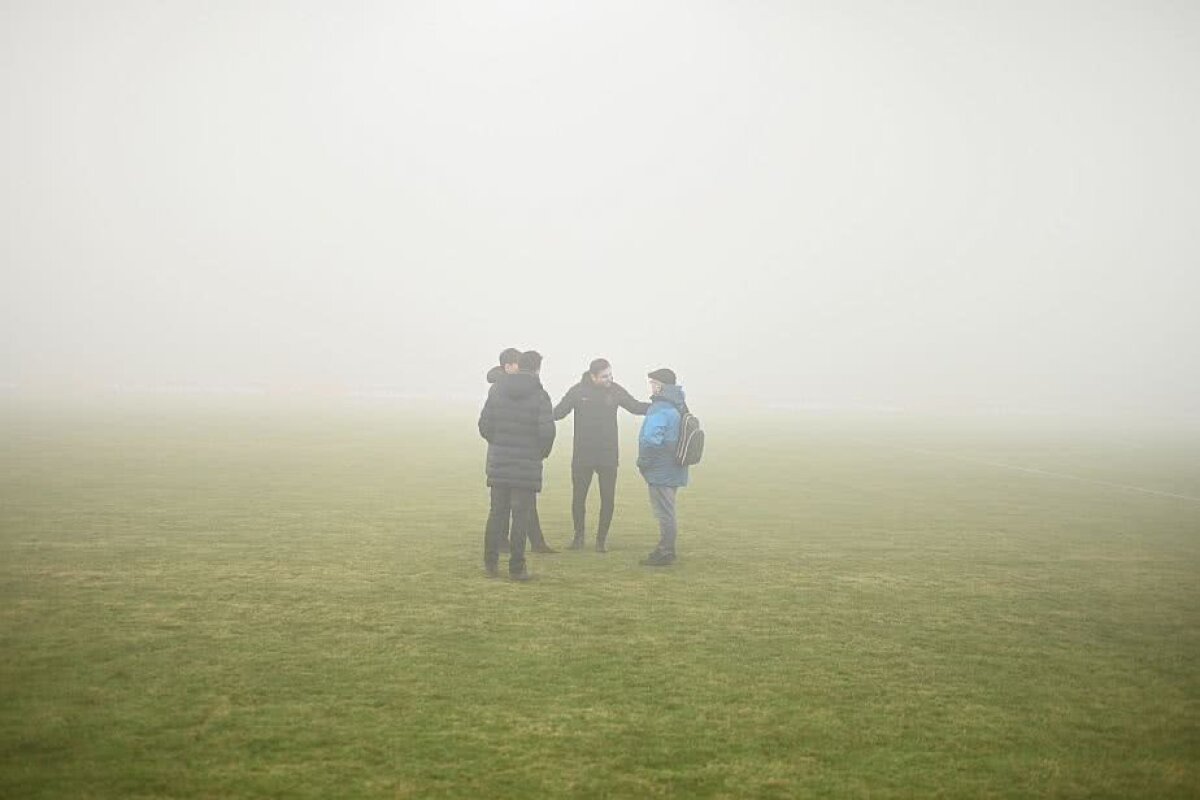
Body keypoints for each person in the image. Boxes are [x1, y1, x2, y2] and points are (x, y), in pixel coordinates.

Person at [553, 358, 649, 552]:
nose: (609, 379)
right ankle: (579, 537)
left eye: (611, 375)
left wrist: (661, 405)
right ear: (592, 376)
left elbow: (636, 407)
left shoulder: (615, 391)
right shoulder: (577, 392)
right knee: (579, 498)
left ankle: (601, 541)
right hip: (583, 454)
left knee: (608, 498)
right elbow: (558, 413)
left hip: (608, 455)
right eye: (605, 376)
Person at [478, 350, 555, 580]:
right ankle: (517, 568)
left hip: (500, 460)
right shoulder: (541, 395)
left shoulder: (497, 389)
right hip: (527, 464)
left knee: (496, 513)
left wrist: (499, 442)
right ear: (537, 369)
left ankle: (491, 564)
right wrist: (539, 454)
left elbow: (484, 424)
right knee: (521, 516)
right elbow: (547, 432)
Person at [636, 368, 689, 566]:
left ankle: (665, 551)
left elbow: (650, 439)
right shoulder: (679, 405)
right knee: (668, 510)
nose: (651, 387)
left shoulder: (659, 408)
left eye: (653, 383)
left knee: (665, 512)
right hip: (675, 467)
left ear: (660, 385)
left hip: (660, 469)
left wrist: (643, 462)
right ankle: (667, 548)